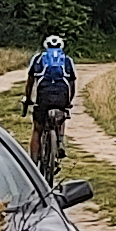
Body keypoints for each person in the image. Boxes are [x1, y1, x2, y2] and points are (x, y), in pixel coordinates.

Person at [25, 34, 77, 164]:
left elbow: (30, 82)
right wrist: (68, 102)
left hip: (43, 96)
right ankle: (60, 141)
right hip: (61, 96)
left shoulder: (38, 59)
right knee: (61, 116)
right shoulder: (67, 60)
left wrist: (28, 99)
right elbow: (72, 84)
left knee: (37, 129)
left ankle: (33, 162)